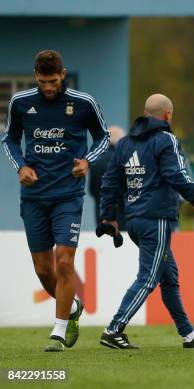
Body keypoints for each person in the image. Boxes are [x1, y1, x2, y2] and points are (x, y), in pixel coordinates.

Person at [2, 50, 109, 352]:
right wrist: (21, 166)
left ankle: (59, 331)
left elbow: (102, 138)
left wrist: (87, 160)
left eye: (53, 81)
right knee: (43, 269)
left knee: (64, 261)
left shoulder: (83, 103)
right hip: (34, 197)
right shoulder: (21, 103)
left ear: (62, 74)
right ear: (35, 76)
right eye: (42, 81)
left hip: (68, 195)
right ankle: (73, 307)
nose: (48, 87)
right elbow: (9, 138)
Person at [99, 94, 194, 349]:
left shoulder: (125, 143)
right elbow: (178, 176)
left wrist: (108, 216)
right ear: (168, 114)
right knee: (149, 278)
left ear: (145, 113)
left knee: (169, 276)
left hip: (134, 222)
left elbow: (110, 182)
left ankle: (188, 334)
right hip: (157, 219)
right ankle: (114, 329)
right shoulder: (166, 140)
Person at [89, 126, 126, 229]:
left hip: (100, 209)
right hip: (120, 212)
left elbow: (92, 189)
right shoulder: (121, 158)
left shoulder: (96, 158)